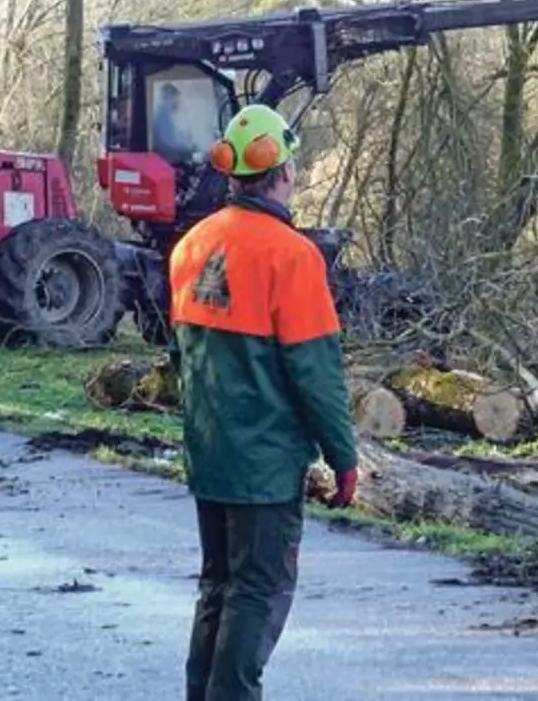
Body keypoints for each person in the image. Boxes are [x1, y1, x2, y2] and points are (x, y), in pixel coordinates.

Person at [167, 103, 359, 701]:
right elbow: (317, 372)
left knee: (218, 585)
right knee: (257, 590)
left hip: (210, 452)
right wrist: (343, 457)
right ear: (282, 170)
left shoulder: (191, 247)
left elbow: (182, 358)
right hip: (265, 462)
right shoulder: (292, 256)